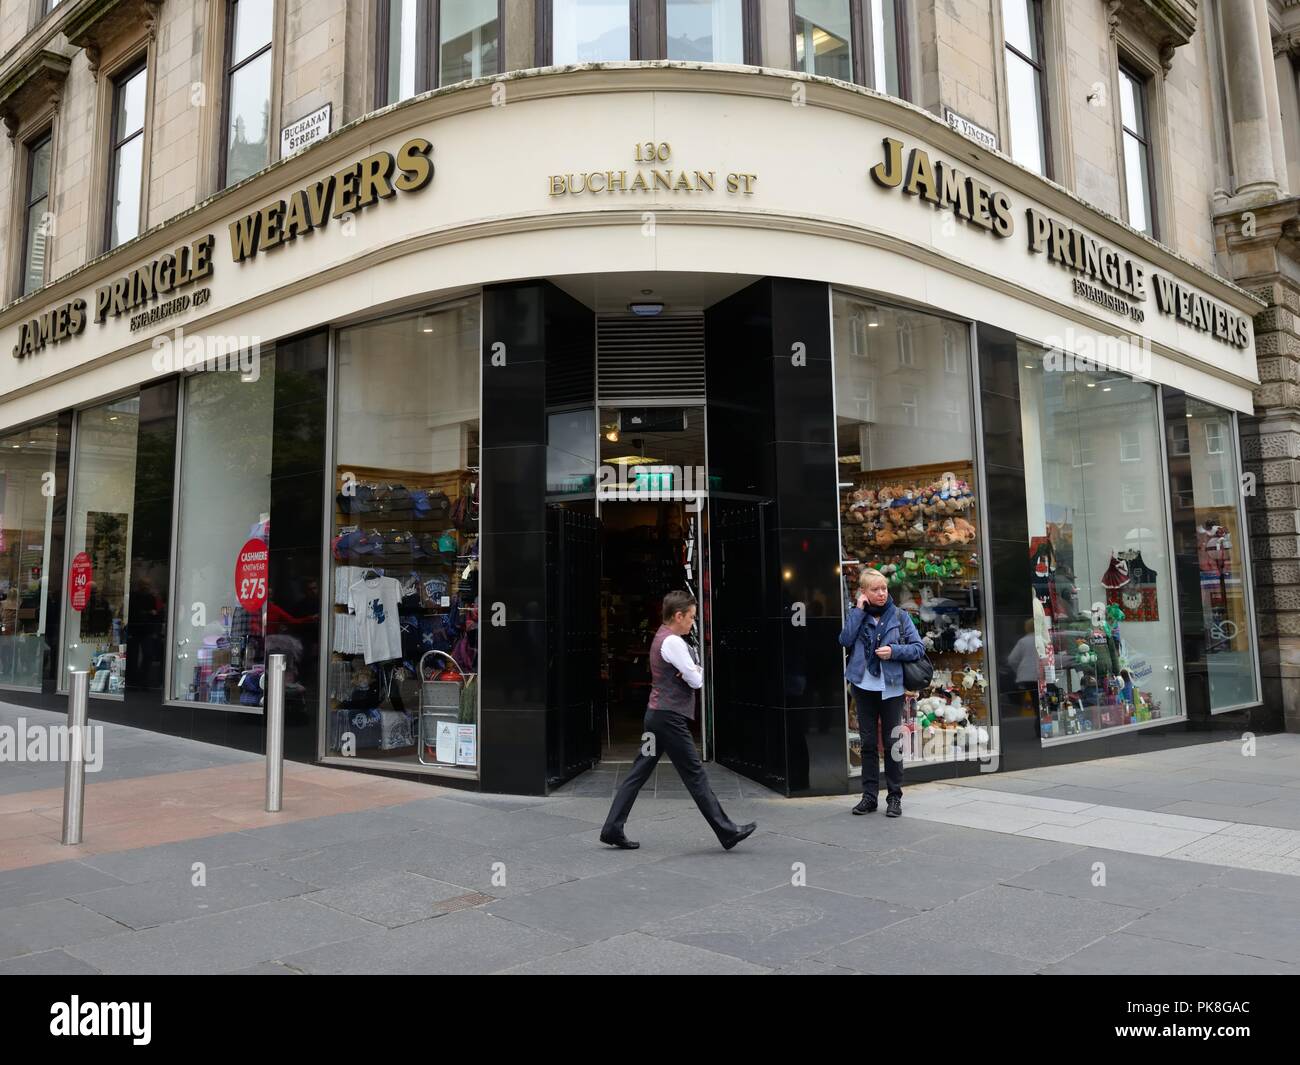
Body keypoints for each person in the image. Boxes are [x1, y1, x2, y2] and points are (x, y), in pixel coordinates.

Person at [600, 590, 756, 851]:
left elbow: (695, 674)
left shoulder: (662, 637)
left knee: (637, 774)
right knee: (695, 774)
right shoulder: (673, 643)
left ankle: (612, 827)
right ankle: (727, 831)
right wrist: (693, 671)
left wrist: (693, 671)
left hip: (656, 716)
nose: (693, 622)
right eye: (692, 617)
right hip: (669, 719)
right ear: (678, 615)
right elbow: (697, 680)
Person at [839, 568, 925, 818]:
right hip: (863, 687)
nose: (881, 593)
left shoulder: (899, 616)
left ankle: (894, 797)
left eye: (884, 589)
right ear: (864, 592)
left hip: (891, 688)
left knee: (891, 743)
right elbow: (844, 640)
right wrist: (858, 610)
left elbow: (918, 648)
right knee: (867, 743)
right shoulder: (858, 615)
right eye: (875, 589)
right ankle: (869, 797)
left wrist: (894, 651)